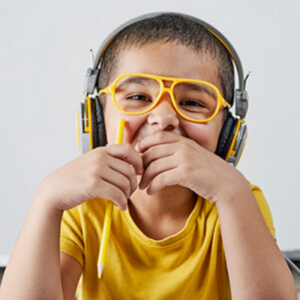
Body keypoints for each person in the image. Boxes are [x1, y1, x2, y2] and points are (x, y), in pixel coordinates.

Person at [0, 12, 297, 300]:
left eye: (192, 102)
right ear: (95, 118)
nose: (164, 117)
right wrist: (46, 200)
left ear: (229, 134)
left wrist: (233, 191)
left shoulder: (238, 199)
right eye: (138, 97)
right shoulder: (84, 206)